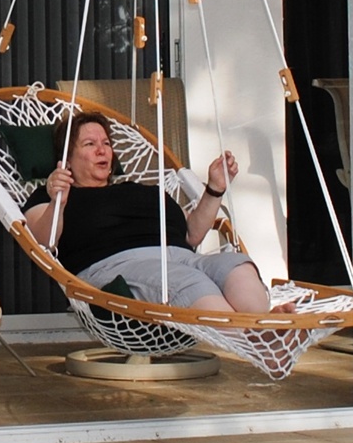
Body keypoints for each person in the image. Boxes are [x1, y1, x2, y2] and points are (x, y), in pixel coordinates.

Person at [23, 111, 294, 315]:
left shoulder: (141, 190)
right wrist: (58, 198)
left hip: (181, 257)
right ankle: (255, 339)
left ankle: (262, 324)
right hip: (117, 268)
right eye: (90, 144)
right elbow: (43, 242)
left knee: (235, 265)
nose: (102, 149)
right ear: (68, 158)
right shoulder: (52, 196)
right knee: (191, 283)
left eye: (106, 143)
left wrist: (214, 189)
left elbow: (192, 234)